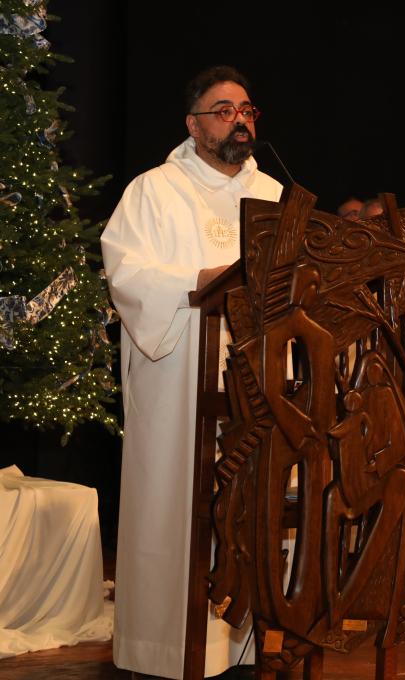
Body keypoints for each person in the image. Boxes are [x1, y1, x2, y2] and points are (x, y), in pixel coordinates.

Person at [101, 65, 283, 679]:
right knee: (176, 505)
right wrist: (195, 283)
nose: (239, 121)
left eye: (246, 110)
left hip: (256, 378)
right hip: (180, 376)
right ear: (194, 124)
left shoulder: (274, 195)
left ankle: (245, 643)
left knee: (247, 507)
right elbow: (126, 271)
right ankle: (165, 649)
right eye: (224, 110)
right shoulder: (154, 190)